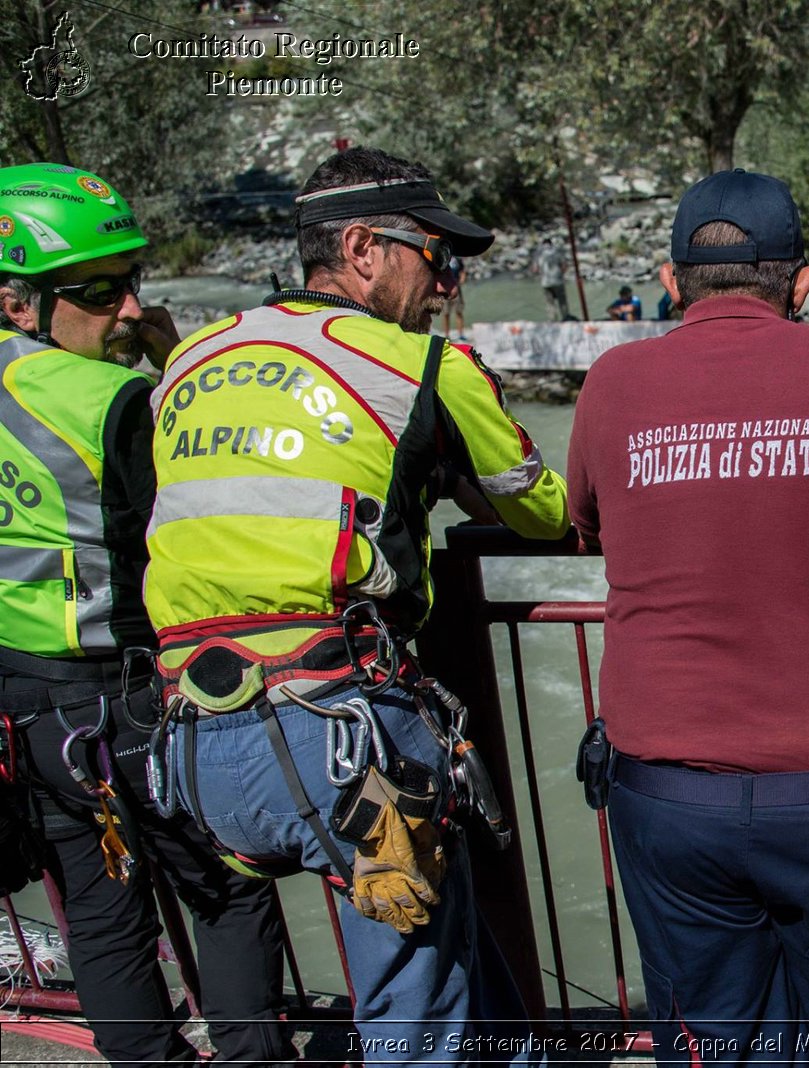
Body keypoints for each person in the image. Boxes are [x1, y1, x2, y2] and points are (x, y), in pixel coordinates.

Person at [142, 146, 570, 1061]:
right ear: (364, 249)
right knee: (412, 1018)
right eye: (437, 256)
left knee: (446, 954)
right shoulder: (424, 367)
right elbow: (544, 511)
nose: (449, 283)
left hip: (192, 746)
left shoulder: (190, 360)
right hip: (341, 745)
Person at [566, 168, 809, 1063]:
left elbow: (586, 522)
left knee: (703, 1036)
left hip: (668, 791)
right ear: (802, 283)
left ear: (671, 282)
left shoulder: (614, 381)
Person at [0, 163, 296, 1067]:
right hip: (134, 694)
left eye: (134, 280)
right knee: (231, 888)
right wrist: (176, 364)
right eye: (99, 290)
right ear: (18, 303)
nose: (128, 308)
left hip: (30, 703)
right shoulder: (114, 402)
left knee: (95, 909)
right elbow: (212, 512)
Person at [536, 239, 571, 320]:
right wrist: (561, 275)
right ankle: (566, 319)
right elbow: (564, 266)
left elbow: (536, 269)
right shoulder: (557, 253)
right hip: (558, 281)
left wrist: (541, 275)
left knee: (550, 304)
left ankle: (553, 320)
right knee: (562, 302)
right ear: (551, 244)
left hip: (546, 283)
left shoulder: (540, 255)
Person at [440, 254, 467, 338]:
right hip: (445, 288)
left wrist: (462, 279)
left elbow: (462, 270)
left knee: (459, 311)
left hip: (456, 287)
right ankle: (447, 335)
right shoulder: (443, 256)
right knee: (446, 313)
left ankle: (461, 334)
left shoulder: (458, 258)